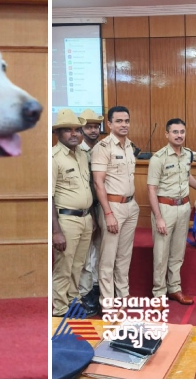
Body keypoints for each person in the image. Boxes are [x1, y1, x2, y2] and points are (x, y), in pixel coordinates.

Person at [147, 118, 196, 307]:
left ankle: (174, 289)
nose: (179, 135)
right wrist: (159, 218)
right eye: (175, 132)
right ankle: (159, 294)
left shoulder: (187, 155)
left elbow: (187, 176)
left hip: (183, 207)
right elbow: (151, 189)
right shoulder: (158, 158)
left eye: (182, 132)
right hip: (165, 209)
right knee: (161, 254)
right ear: (167, 134)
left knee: (178, 252)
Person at [91, 106, 139, 312]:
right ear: (109, 124)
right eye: (119, 121)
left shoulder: (129, 146)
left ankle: (123, 295)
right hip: (113, 208)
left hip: (130, 206)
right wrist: (108, 213)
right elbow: (98, 183)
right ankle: (108, 304)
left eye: (126, 120)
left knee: (124, 255)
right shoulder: (102, 147)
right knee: (108, 257)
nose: (124, 124)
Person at [52, 109, 94, 317]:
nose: (74, 134)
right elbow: (48, 197)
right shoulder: (53, 158)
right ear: (58, 134)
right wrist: (55, 231)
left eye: (77, 129)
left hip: (85, 218)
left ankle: (72, 301)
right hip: (66, 220)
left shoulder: (82, 155)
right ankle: (59, 309)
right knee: (64, 266)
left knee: (78, 264)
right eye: (68, 130)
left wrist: (91, 217)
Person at [77, 109, 105, 316]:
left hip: (102, 206)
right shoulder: (77, 151)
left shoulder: (102, 149)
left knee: (100, 249)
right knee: (86, 254)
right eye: (89, 127)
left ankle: (96, 287)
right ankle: (85, 292)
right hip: (87, 208)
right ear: (81, 129)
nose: (93, 130)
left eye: (96, 126)